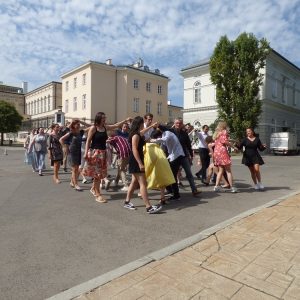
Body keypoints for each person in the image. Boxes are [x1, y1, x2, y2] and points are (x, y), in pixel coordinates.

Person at [83, 112, 131, 203]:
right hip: (95, 153)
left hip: (103, 153)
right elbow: (88, 141)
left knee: (100, 174)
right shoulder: (94, 128)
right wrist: (86, 153)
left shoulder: (105, 128)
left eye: (105, 117)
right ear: (99, 118)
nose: (105, 119)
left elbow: (116, 125)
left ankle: (93, 189)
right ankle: (98, 195)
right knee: (97, 176)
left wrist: (125, 120)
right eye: (103, 118)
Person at [124, 116, 162, 213]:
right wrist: (140, 163)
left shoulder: (138, 134)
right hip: (136, 161)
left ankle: (127, 202)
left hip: (137, 160)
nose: (143, 124)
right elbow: (134, 149)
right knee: (143, 184)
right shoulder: (135, 135)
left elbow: (143, 133)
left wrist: (151, 128)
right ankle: (148, 207)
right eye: (142, 123)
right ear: (140, 124)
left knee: (134, 182)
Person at [150, 125, 185, 201]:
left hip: (177, 156)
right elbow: (165, 147)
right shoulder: (165, 134)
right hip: (173, 156)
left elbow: (164, 140)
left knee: (172, 175)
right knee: (168, 172)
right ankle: (170, 190)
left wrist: (153, 140)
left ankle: (176, 195)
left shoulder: (167, 133)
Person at [171, 118, 201, 197]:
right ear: (174, 124)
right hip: (174, 157)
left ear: (182, 124)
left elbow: (188, 145)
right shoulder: (171, 132)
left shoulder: (184, 133)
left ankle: (194, 190)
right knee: (173, 175)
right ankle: (175, 193)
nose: (178, 124)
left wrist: (191, 155)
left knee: (189, 174)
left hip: (184, 156)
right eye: (177, 123)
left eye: (180, 123)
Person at [213, 121, 237, 193]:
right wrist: (233, 147)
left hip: (217, 152)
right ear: (224, 126)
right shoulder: (224, 131)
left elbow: (221, 140)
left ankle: (216, 186)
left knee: (220, 171)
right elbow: (225, 142)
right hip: (222, 152)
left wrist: (230, 140)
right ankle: (232, 187)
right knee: (228, 171)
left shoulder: (217, 133)